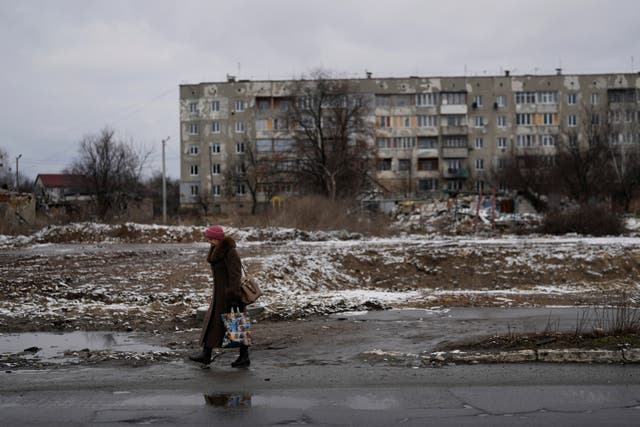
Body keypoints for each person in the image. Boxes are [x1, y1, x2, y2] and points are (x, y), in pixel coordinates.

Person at [189, 225, 250, 367]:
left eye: (210, 238)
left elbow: (235, 275)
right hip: (219, 295)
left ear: (217, 238)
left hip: (230, 295)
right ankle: (206, 354)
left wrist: (234, 296)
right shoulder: (216, 249)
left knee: (236, 325)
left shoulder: (230, 252)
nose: (209, 241)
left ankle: (244, 357)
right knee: (213, 325)